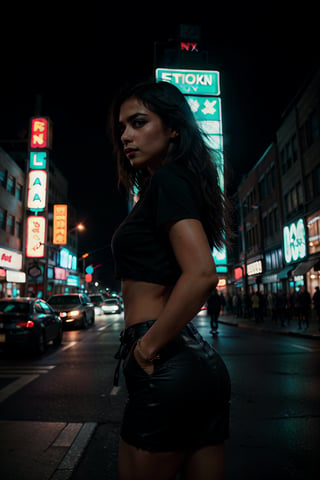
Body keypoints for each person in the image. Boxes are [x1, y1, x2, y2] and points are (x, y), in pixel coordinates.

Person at [111, 81, 231, 480]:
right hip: (196, 366)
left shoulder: (168, 181)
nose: (126, 135)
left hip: (164, 363)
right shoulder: (171, 182)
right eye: (122, 127)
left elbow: (200, 275)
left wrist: (145, 349)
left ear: (173, 127)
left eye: (139, 122)